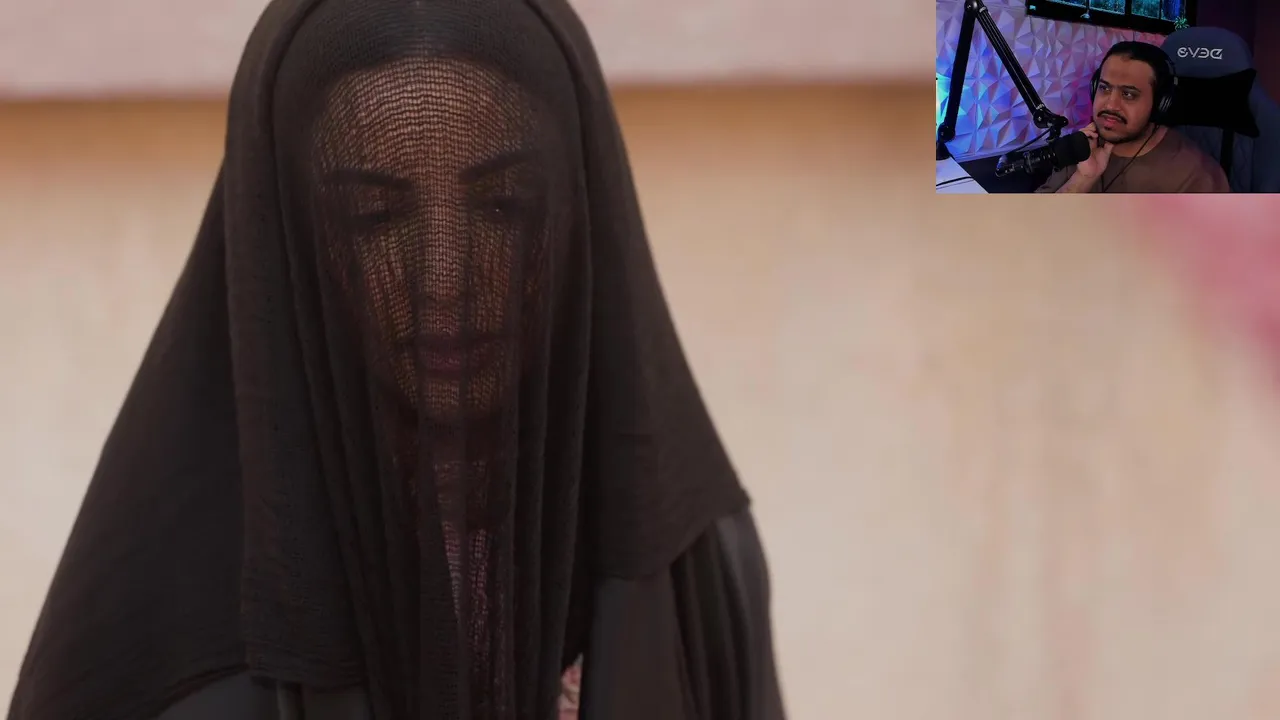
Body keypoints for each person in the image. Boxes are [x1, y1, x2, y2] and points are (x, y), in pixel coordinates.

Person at [4, 1, 786, 720]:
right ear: (292, 238)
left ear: (581, 214)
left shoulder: (696, 564)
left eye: (505, 205)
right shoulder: (161, 640)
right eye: (373, 216)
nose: (443, 278)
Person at [1037, 41, 1230, 194]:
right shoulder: (1081, 147)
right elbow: (1035, 224)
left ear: (1159, 104)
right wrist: (1082, 179)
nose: (1110, 105)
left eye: (1128, 94)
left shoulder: (1196, 174)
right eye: (1104, 88)